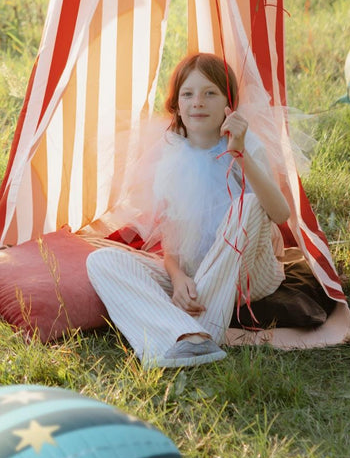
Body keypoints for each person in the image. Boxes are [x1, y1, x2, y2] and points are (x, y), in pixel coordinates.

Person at [86, 53, 291, 368]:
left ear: (228, 103)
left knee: (248, 204)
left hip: (249, 273)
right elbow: (173, 240)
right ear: (177, 105)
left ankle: (192, 331)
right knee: (102, 260)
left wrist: (239, 155)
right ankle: (192, 336)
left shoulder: (245, 145)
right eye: (188, 94)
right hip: (196, 275)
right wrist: (178, 277)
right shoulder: (170, 154)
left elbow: (279, 213)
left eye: (210, 93)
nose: (198, 102)